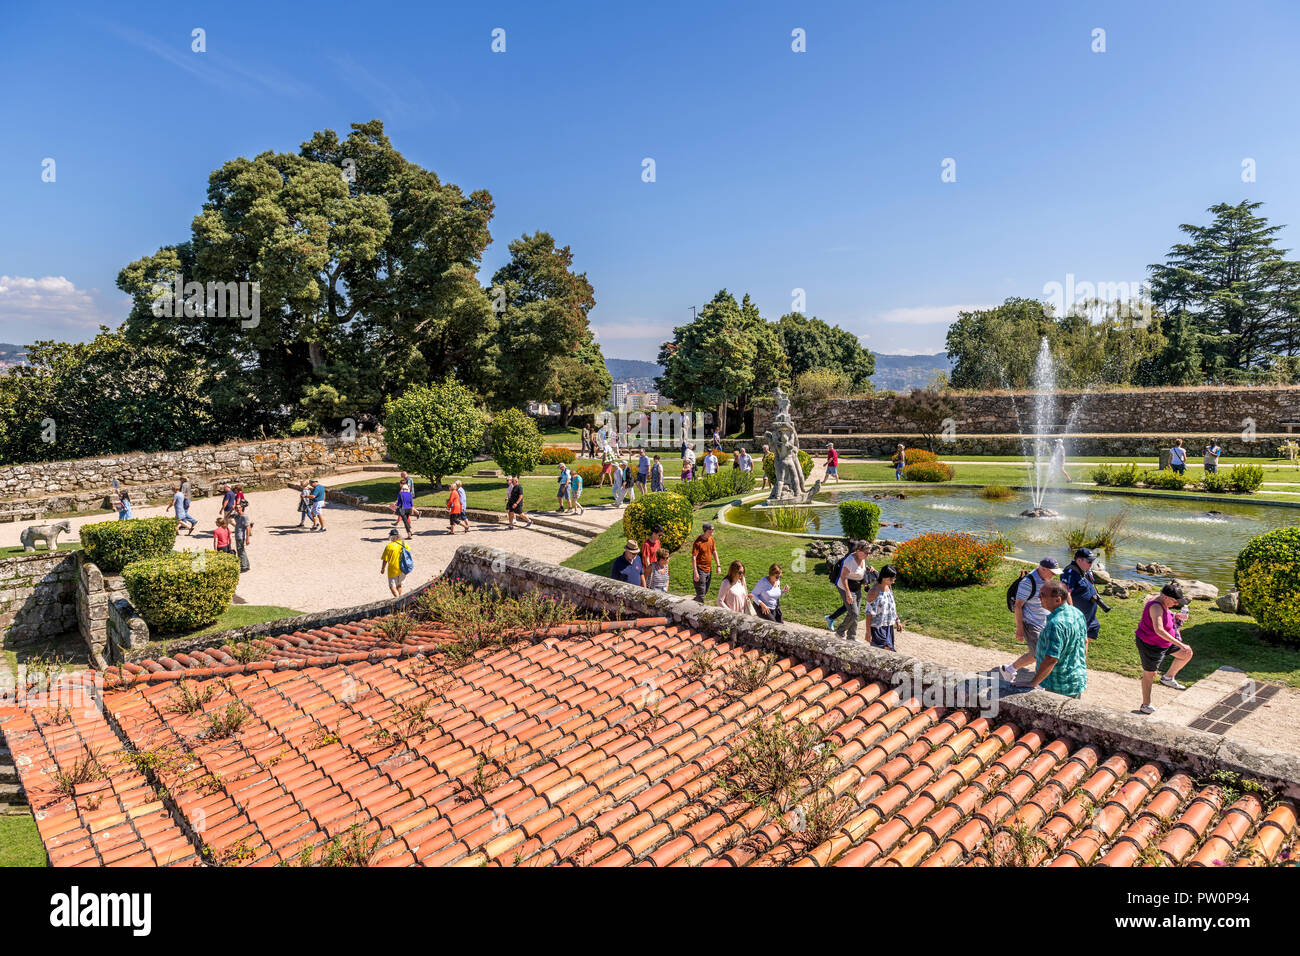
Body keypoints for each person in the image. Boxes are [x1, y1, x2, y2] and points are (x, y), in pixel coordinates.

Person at [1018, 578, 1088, 699]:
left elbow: (1051, 659)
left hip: (1059, 686)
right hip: (1075, 680)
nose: (1038, 597)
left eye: (1043, 595)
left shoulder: (1055, 625)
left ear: (1057, 599)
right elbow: (1085, 642)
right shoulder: (1077, 613)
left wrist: (1033, 682)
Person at [1000, 559, 1062, 682]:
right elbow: (1018, 606)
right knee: (1042, 654)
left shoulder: (1046, 579)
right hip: (1031, 624)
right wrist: (1020, 630)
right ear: (1043, 569)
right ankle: (1040, 683)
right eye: (1052, 572)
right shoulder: (1027, 583)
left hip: (1045, 622)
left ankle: (1009, 670)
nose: (1054, 575)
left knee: (1037, 654)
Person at [1136, 583, 1194, 714]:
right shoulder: (1155, 606)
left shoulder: (1162, 600)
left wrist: (1175, 615)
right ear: (1166, 597)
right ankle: (1146, 705)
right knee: (1150, 674)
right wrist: (1180, 644)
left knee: (1186, 654)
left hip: (1165, 642)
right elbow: (1159, 630)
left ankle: (1168, 678)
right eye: (1174, 601)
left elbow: (1165, 613)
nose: (1176, 604)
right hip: (1151, 644)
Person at [1060, 548, 1103, 651]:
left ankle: (1078, 661)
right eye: (1089, 561)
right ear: (1079, 560)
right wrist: (1072, 612)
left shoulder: (1085, 571)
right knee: (1082, 641)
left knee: (1089, 635)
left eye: (1092, 561)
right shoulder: (1070, 573)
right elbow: (1066, 594)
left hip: (1089, 616)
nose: (1091, 563)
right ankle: (1076, 663)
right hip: (1079, 616)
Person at [832, 540, 876, 641]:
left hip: (857, 587)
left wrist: (870, 569)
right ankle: (840, 632)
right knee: (854, 613)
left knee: (857, 613)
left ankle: (851, 636)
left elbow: (861, 571)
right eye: (866, 552)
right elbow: (843, 577)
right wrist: (848, 593)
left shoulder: (863, 558)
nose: (868, 555)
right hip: (845, 587)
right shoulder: (850, 561)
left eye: (869, 552)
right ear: (858, 550)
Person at [862, 565, 902, 649]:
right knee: (886, 651)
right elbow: (868, 613)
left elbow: (892, 606)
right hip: (877, 628)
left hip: (889, 626)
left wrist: (897, 620)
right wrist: (868, 632)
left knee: (888, 653)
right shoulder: (873, 591)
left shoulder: (889, 587)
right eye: (891, 579)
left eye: (894, 579)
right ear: (884, 577)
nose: (893, 582)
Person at [690, 522, 723, 602]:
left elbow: (714, 552)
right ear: (706, 530)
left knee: (704, 591)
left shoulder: (711, 539)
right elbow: (694, 557)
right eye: (712, 530)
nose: (713, 531)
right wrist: (695, 572)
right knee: (701, 594)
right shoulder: (698, 542)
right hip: (700, 570)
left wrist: (718, 566)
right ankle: (699, 611)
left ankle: (694, 603)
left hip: (708, 570)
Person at [381, 528, 409, 596]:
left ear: (390, 537)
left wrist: (383, 568)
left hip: (393, 568)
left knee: (392, 586)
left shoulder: (389, 546)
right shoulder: (404, 543)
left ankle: (397, 599)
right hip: (403, 567)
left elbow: (385, 559)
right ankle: (400, 599)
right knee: (399, 585)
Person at [231, 500, 252, 572]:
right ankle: (246, 565)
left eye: (238, 507)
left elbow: (248, 527)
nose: (237, 509)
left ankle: (244, 566)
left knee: (241, 551)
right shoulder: (236, 515)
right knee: (241, 551)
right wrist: (231, 509)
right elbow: (227, 518)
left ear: (241, 508)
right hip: (237, 536)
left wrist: (247, 539)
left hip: (240, 536)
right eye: (236, 508)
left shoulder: (244, 516)